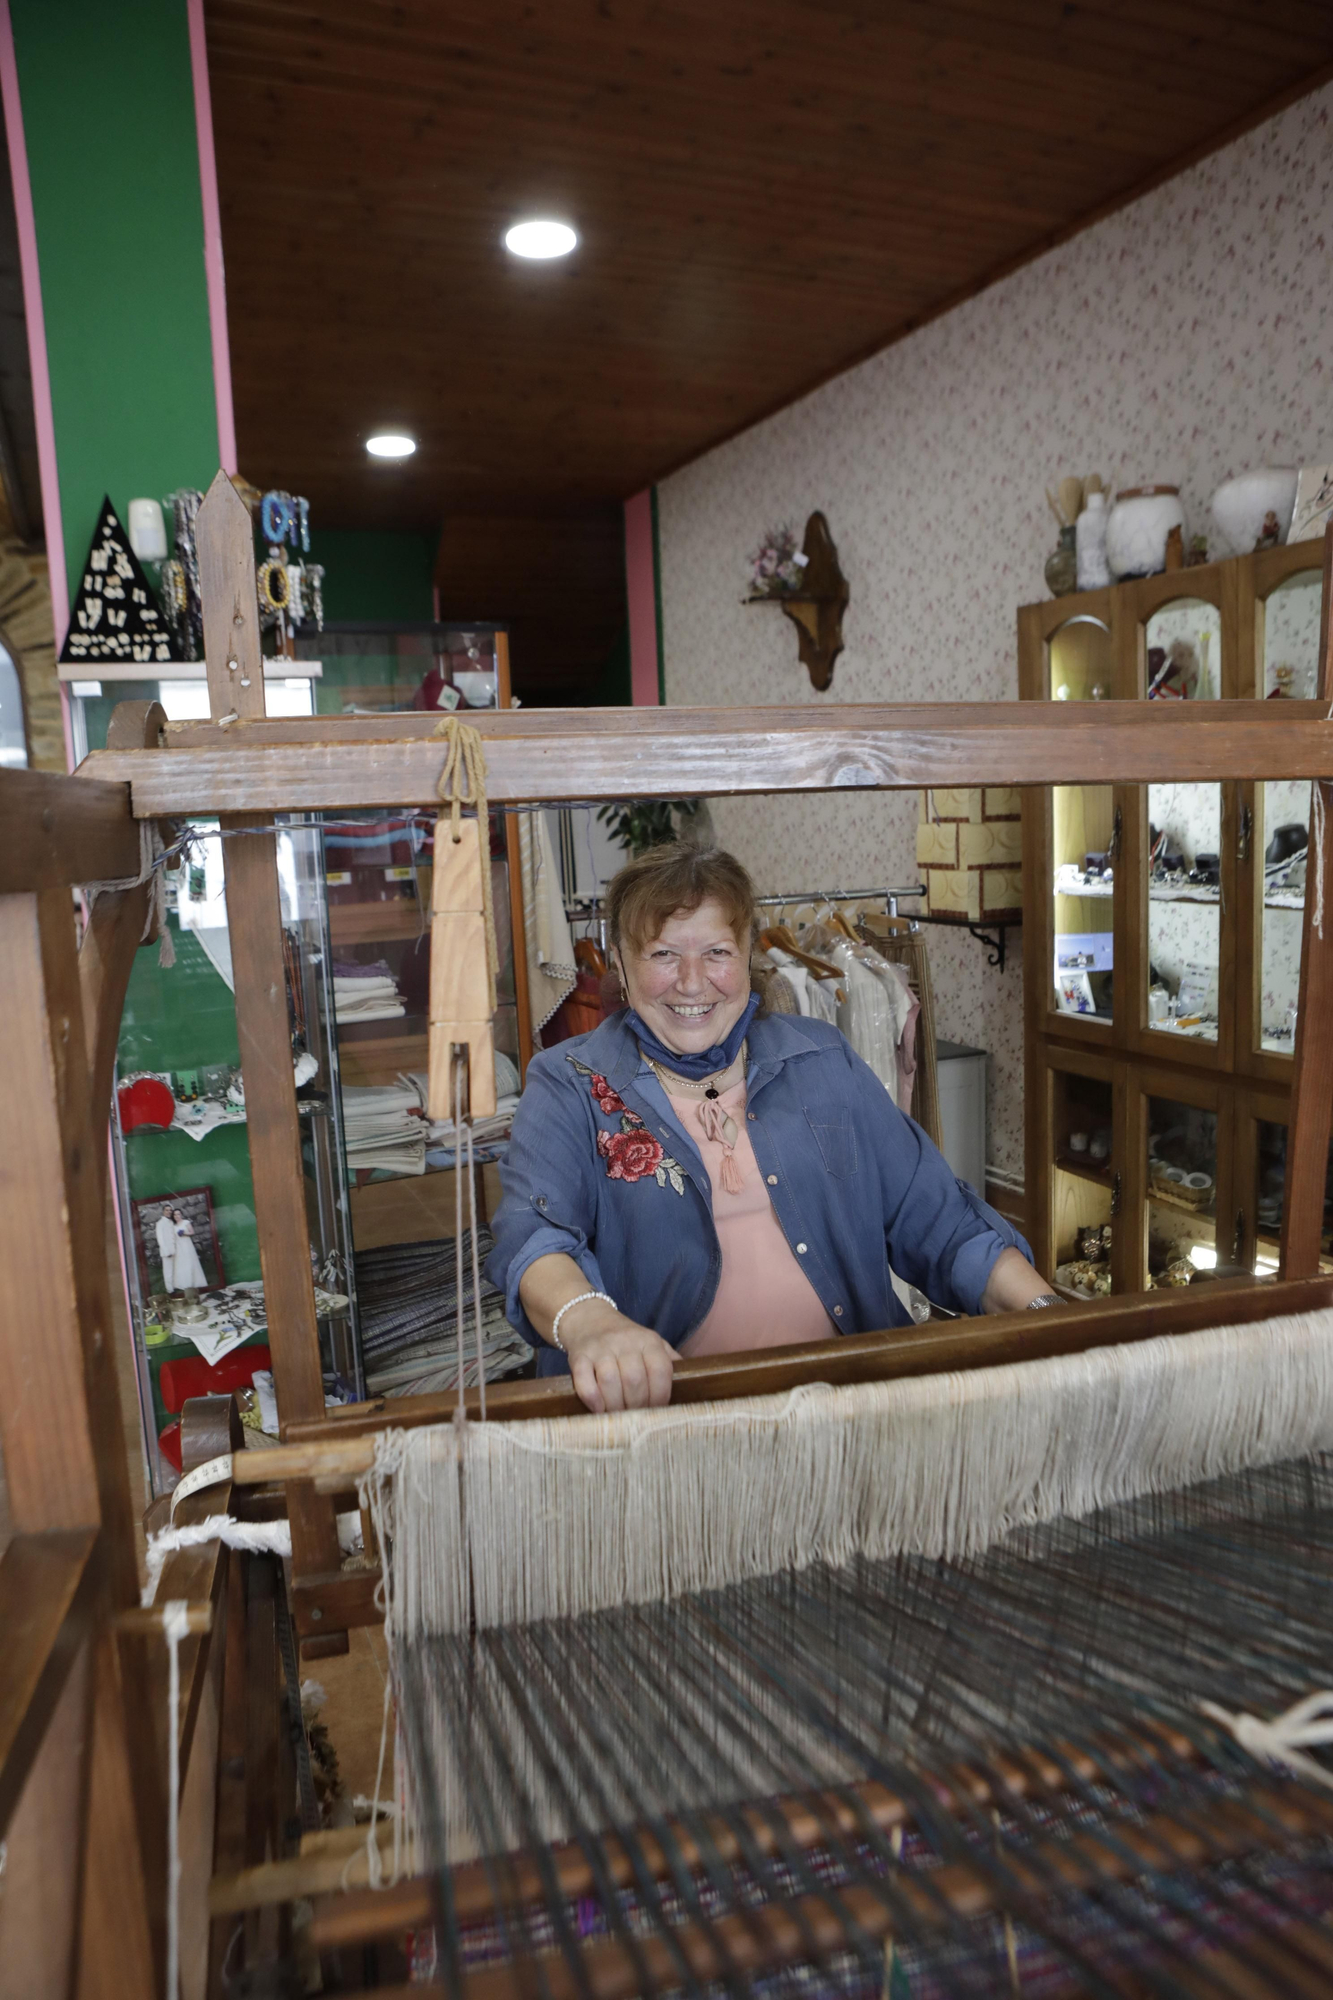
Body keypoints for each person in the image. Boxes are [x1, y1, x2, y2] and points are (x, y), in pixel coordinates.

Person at [489, 844, 1058, 1414]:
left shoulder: (821, 1057)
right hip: (669, 1432)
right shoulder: (571, 1084)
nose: (692, 983)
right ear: (619, 962)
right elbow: (533, 1238)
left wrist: (1047, 1316)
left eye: (716, 951)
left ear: (746, 955)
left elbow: (940, 1220)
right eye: (662, 954)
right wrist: (591, 1323)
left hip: (850, 1408)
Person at [168, 1206, 209, 1293]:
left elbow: (192, 1232)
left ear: (181, 1215)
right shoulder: (173, 1226)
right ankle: (182, 1283)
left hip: (187, 1245)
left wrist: (185, 1233)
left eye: (178, 1214)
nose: (177, 1216)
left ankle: (194, 1282)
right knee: (181, 1263)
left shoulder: (186, 1222)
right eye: (175, 1215)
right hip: (179, 1246)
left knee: (189, 1262)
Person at [154, 1205, 178, 1293]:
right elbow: (160, 1239)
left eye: (170, 1210)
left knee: (175, 1269)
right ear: (163, 1211)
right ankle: (170, 1290)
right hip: (167, 1251)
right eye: (167, 1210)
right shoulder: (160, 1223)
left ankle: (175, 1285)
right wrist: (167, 1251)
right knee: (168, 1270)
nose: (169, 1212)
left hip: (174, 1249)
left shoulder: (171, 1222)